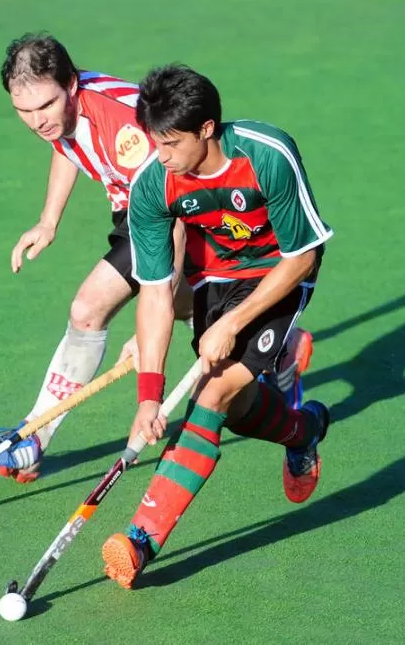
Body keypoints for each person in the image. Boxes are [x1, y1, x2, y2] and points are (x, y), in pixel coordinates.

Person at [0, 35, 311, 484]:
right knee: (190, 305)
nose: (36, 121)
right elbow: (67, 146)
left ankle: (33, 439)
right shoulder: (59, 114)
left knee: (88, 308)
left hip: (171, 214)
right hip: (129, 208)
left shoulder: (122, 125)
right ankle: (280, 344)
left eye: (45, 107)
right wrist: (48, 220)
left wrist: (152, 321)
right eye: (24, 111)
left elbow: (176, 205)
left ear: (71, 85)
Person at [98, 64, 333, 590]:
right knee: (240, 410)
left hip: (278, 272)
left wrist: (233, 323)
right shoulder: (153, 184)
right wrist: (147, 397)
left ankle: (140, 540)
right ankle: (304, 428)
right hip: (212, 279)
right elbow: (157, 292)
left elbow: (302, 255)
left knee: (212, 395)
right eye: (155, 142)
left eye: (171, 143)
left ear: (206, 129)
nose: (161, 157)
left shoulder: (266, 155)